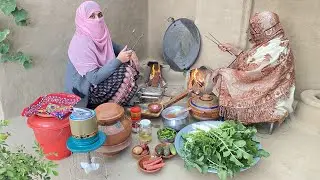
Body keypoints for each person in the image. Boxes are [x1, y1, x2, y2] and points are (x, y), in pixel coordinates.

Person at [211, 11, 295, 125]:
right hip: (264, 84)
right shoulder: (272, 41)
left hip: (269, 91)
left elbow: (254, 72)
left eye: (256, 30)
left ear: (266, 29)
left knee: (224, 77)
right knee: (225, 75)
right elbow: (252, 59)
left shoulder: (277, 47)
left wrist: (226, 72)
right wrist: (233, 49)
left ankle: (227, 116)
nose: (253, 34)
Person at [65, 1, 139, 109]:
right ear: (83, 20)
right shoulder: (81, 43)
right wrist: (118, 60)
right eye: (92, 16)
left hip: (96, 83)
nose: (97, 20)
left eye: (99, 15)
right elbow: (94, 78)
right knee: (125, 70)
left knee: (129, 64)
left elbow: (114, 47)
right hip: (84, 92)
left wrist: (130, 52)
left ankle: (111, 107)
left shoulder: (100, 35)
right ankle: (105, 110)